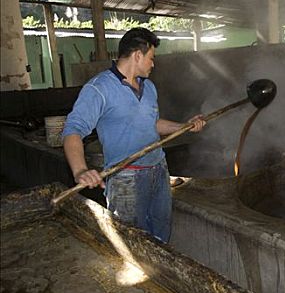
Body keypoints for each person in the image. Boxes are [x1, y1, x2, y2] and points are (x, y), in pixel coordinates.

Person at [62, 27, 205, 243]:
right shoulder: (99, 88)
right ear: (138, 55)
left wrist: (184, 126)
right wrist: (80, 170)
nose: (153, 64)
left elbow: (152, 124)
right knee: (131, 242)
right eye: (151, 58)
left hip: (159, 171)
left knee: (161, 235)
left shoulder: (149, 88)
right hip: (125, 178)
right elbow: (73, 129)